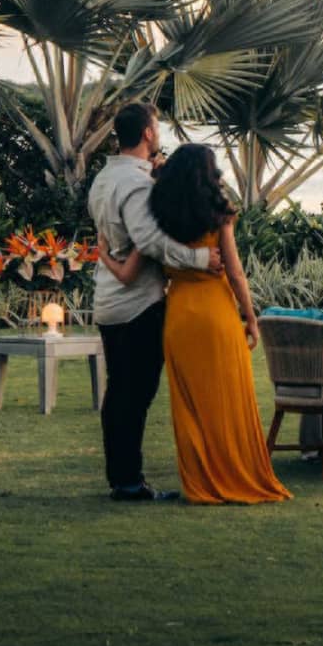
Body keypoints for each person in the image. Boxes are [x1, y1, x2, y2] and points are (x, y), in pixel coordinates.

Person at [98, 142, 291, 506]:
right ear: (210, 173)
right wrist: (250, 316)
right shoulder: (219, 213)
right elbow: (234, 271)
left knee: (190, 405)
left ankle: (200, 481)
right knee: (226, 397)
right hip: (216, 312)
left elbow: (133, 267)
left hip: (180, 316)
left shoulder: (158, 213)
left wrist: (105, 256)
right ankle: (235, 472)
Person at [86, 101, 223, 502]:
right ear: (147, 133)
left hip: (111, 299)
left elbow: (118, 239)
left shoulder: (105, 179)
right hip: (138, 304)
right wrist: (199, 258)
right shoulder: (135, 184)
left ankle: (124, 477)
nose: (158, 133)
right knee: (135, 394)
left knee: (121, 393)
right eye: (157, 126)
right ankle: (128, 481)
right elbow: (149, 241)